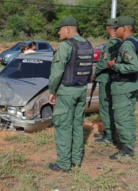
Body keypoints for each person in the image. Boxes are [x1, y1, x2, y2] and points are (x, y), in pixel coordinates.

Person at [48, 17, 94, 172]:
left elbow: (56, 73)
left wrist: (52, 91)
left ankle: (63, 164)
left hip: (67, 92)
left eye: (60, 29)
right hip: (81, 90)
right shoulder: (88, 44)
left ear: (68, 29)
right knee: (76, 126)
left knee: (63, 127)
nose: (58, 32)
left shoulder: (65, 46)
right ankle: (76, 160)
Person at [107, 16, 138, 159]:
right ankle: (130, 143)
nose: (114, 30)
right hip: (132, 84)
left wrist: (114, 65)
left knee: (122, 118)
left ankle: (127, 151)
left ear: (124, 28)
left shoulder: (126, 45)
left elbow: (134, 66)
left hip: (122, 86)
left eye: (116, 28)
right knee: (129, 116)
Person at [91, 18, 122, 144]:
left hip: (105, 78)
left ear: (108, 28)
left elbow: (103, 63)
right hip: (112, 78)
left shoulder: (111, 44)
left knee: (105, 107)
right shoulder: (119, 42)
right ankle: (108, 130)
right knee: (108, 106)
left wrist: (94, 74)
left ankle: (109, 135)